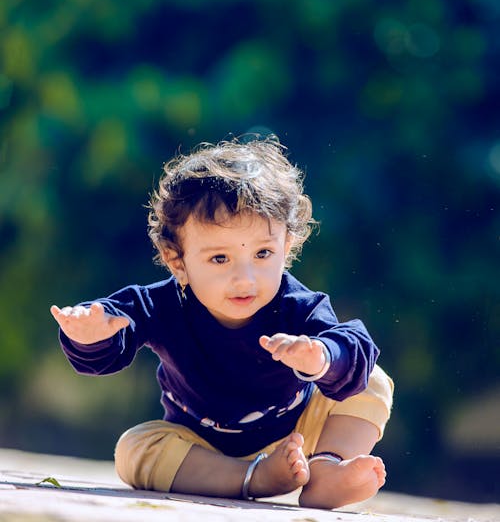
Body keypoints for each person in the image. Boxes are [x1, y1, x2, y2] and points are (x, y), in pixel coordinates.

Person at [51, 136, 393, 510]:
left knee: (372, 380)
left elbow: (355, 349)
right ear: (176, 260)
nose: (245, 278)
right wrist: (89, 335)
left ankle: (328, 469)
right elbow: (107, 345)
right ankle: (252, 479)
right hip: (201, 447)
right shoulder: (161, 304)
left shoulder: (297, 308)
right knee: (133, 449)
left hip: (298, 436)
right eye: (219, 259)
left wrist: (323, 358)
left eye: (263, 253)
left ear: (288, 244)